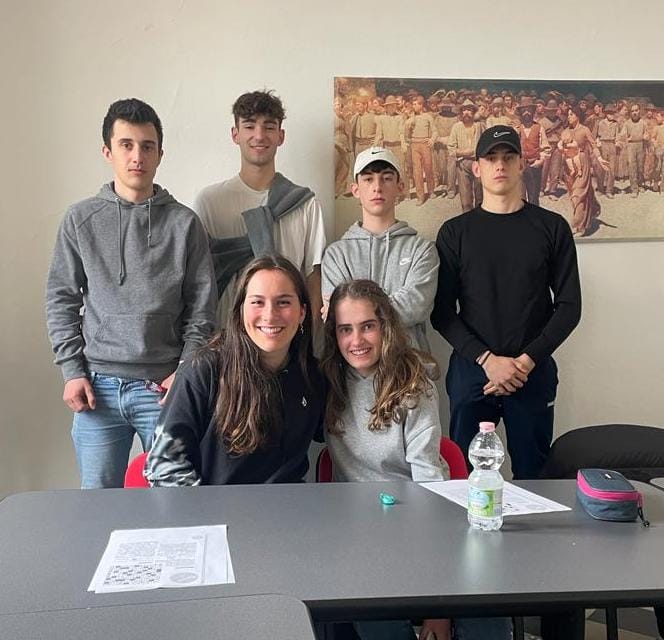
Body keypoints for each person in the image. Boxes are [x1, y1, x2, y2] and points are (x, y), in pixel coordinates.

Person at [321, 279, 511, 640]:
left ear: (385, 327)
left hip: (423, 519)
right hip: (362, 534)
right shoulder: (327, 382)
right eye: (345, 329)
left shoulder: (413, 383)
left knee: (487, 614)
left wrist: (438, 607)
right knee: (374, 610)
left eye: (367, 326)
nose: (356, 340)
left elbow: (429, 488)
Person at [46, 98, 217, 489]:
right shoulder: (80, 220)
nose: (137, 156)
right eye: (126, 145)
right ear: (108, 152)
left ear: (160, 154)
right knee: (98, 504)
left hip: (163, 389)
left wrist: (185, 371)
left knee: (174, 500)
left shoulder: (185, 224)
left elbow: (202, 307)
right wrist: (72, 371)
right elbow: (61, 299)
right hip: (97, 389)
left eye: (147, 146)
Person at [431, 125, 582, 481]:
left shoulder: (552, 227)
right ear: (476, 168)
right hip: (473, 371)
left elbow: (569, 307)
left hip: (532, 371)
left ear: (521, 164)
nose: (500, 165)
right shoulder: (454, 233)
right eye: (491, 158)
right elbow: (442, 313)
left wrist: (524, 363)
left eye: (509, 157)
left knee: (534, 477)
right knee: (466, 479)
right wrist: (488, 361)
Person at [145, 255, 324, 486]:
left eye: (283, 302)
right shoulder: (204, 371)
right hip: (214, 506)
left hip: (292, 506)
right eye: (257, 302)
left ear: (302, 312)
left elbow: (344, 431)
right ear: (240, 311)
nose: (270, 315)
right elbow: (164, 466)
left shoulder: (313, 375)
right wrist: (206, 509)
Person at [193, 90, 326, 333]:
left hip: (285, 337)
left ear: (281, 136)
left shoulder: (305, 204)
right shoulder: (209, 202)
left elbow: (313, 279)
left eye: (269, 126)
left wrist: (309, 340)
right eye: (249, 126)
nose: (259, 135)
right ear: (235, 134)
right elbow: (198, 281)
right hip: (226, 336)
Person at [321, 147, 439, 353]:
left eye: (386, 178)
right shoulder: (336, 255)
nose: (377, 187)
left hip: (410, 366)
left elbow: (415, 307)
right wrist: (382, 310)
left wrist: (355, 312)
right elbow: (338, 317)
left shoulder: (422, 250)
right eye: (368, 179)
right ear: (355, 190)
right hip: (354, 370)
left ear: (400, 187)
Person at [560, 107, 609, 236]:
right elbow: (561, 147)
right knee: (573, 196)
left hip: (582, 164)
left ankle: (579, 226)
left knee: (578, 195)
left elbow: (593, 146)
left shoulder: (585, 130)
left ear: (578, 116)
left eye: (571, 114)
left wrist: (600, 159)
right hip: (569, 166)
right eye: (568, 114)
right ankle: (592, 208)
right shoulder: (565, 131)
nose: (569, 117)